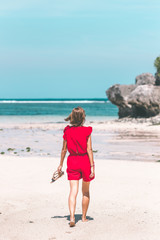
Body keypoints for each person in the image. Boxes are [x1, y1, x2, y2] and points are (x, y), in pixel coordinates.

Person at [57, 106, 95, 227]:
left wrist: (60, 164)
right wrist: (92, 166)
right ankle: (83, 217)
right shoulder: (87, 130)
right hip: (84, 161)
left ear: (72, 117)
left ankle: (72, 217)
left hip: (72, 160)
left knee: (73, 191)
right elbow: (89, 149)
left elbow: (64, 150)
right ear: (83, 118)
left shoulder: (67, 130)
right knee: (85, 191)